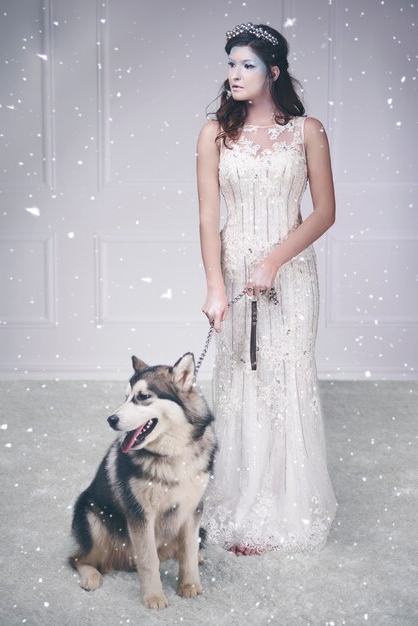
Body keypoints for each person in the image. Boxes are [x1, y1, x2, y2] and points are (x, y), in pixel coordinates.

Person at [196, 22, 338, 556]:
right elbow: (209, 217)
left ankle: (283, 504)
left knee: (285, 381)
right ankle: (241, 498)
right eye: (231, 63)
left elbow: (324, 212)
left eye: (247, 65)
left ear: (273, 72)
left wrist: (275, 260)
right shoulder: (214, 132)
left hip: (292, 274)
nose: (234, 74)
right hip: (234, 270)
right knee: (240, 381)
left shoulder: (307, 131)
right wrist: (215, 286)